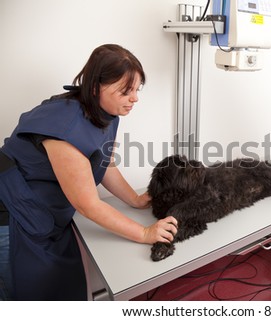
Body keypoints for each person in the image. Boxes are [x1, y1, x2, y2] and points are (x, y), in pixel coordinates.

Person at [0, 44, 178, 300]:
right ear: (96, 87)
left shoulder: (106, 113)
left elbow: (102, 162)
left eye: (137, 90)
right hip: (12, 216)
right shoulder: (65, 127)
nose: (135, 98)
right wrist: (144, 233)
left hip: (43, 214)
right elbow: (88, 205)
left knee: (62, 289)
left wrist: (135, 200)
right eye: (125, 91)